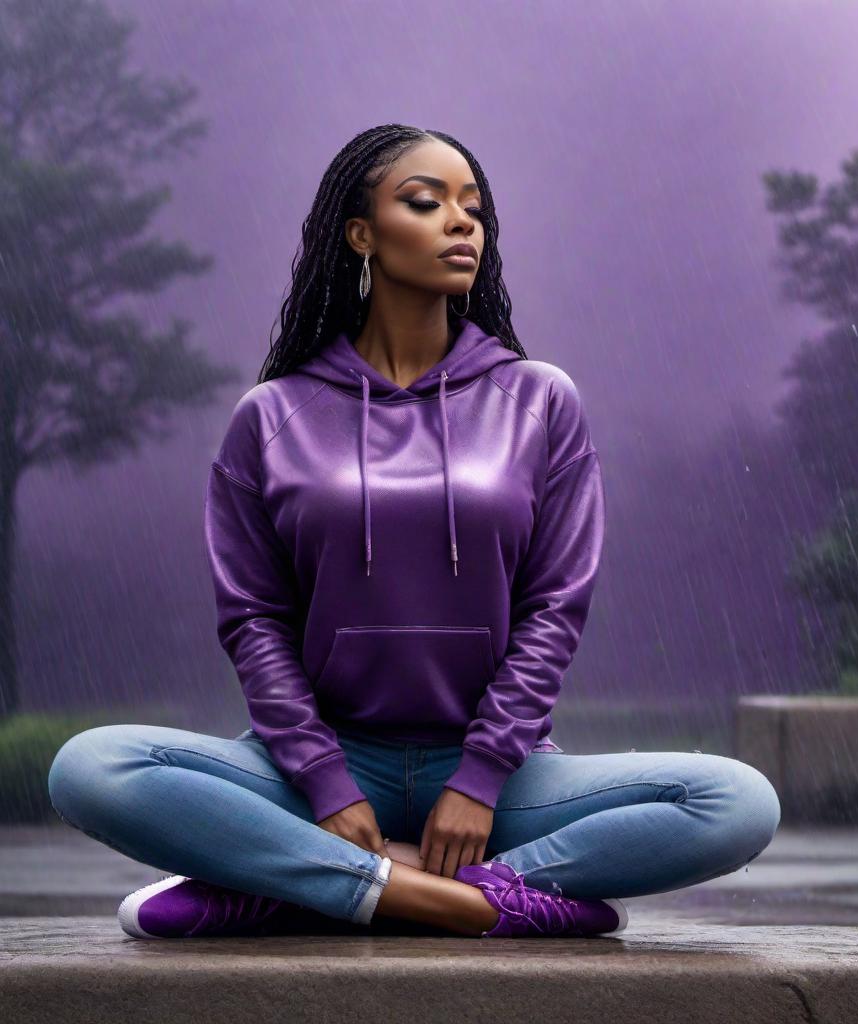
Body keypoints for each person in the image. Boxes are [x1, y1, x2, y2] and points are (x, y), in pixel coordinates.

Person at [47, 123, 781, 940]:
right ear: (361, 234)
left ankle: (296, 884)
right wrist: (325, 783)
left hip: (498, 777)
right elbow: (254, 620)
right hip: (312, 767)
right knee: (90, 768)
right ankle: (453, 898)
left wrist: (480, 776)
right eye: (426, 203)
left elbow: (554, 609)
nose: (461, 222)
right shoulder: (273, 415)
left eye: (473, 208)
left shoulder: (539, 401)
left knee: (736, 803)